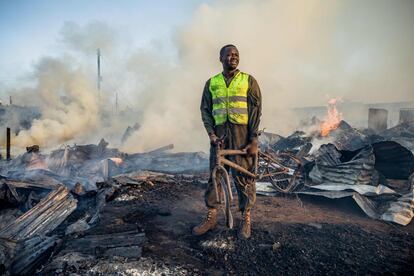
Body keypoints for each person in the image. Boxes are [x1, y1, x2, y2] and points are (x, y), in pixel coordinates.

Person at [193, 44, 262, 239]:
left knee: (244, 177)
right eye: (229, 54)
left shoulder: (249, 81)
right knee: (215, 175)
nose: (233, 57)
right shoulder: (212, 83)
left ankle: (245, 218)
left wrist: (253, 139)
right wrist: (211, 135)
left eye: (236, 54)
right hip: (220, 136)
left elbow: (256, 111)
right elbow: (205, 111)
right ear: (220, 58)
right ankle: (212, 216)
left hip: (242, 135)